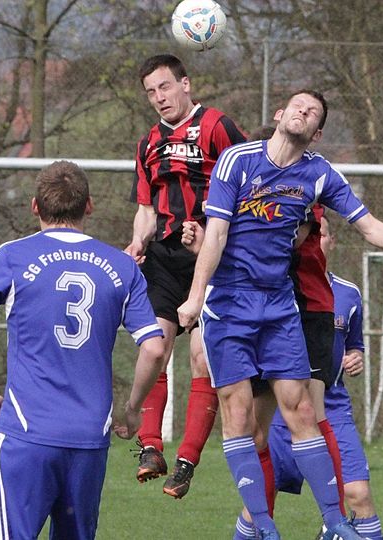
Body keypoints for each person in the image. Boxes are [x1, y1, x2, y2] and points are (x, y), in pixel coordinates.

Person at [177, 90, 383, 539]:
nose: (303, 110)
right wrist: (196, 298)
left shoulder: (319, 174)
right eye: (297, 104)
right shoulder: (237, 160)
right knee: (238, 417)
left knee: (300, 410)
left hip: (279, 307)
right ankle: (266, 530)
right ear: (279, 115)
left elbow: (368, 226)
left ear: (316, 132)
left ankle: (335, 523)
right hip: (230, 305)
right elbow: (215, 234)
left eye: (313, 111)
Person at [0, 160, 167, 540]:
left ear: (35, 206)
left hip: (25, 434)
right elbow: (154, 349)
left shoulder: (12, 256)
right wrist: (132, 410)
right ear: (89, 206)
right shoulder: (121, 266)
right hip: (88, 439)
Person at [124, 53, 248, 499]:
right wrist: (138, 242)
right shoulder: (147, 143)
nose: (159, 98)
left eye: (165, 87)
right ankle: (150, 447)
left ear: (186, 84)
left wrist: (217, 230)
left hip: (212, 259)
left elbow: (249, 189)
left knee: (200, 358)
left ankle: (186, 462)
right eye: (151, 92)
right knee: (153, 346)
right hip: (163, 258)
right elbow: (145, 207)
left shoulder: (218, 127)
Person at [268, 214, 383, 540]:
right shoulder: (277, 288)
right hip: (280, 410)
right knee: (260, 503)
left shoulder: (348, 294)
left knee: (359, 495)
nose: (314, 241)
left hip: (332, 407)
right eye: (308, 236)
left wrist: (356, 356)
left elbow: (355, 344)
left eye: (321, 235)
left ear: (330, 242)